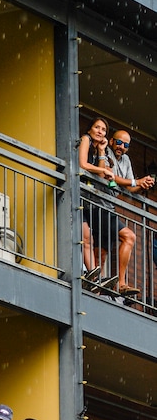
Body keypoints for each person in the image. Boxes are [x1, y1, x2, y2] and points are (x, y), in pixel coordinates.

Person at [78, 117, 138, 295]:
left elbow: (127, 186)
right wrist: (104, 170)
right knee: (126, 236)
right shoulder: (85, 139)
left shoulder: (103, 150)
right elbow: (83, 164)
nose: (100, 131)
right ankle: (115, 282)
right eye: (97, 127)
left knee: (96, 246)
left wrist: (140, 184)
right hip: (93, 202)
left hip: (96, 203)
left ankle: (95, 283)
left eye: (103, 129)